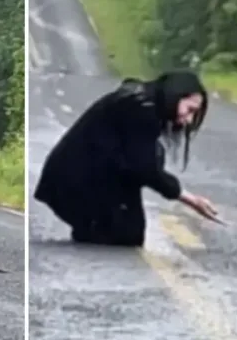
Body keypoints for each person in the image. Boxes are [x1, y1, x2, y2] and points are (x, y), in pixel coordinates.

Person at [34, 70, 222, 247]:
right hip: (73, 182)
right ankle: (91, 229)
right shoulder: (141, 108)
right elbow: (145, 169)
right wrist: (190, 199)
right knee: (123, 235)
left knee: (129, 231)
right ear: (175, 95)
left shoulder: (140, 100)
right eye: (189, 110)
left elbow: (140, 161)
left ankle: (92, 227)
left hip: (80, 177)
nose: (189, 120)